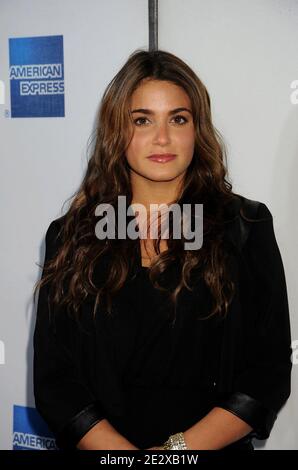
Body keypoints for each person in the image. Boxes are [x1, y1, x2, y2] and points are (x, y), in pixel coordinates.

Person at [33, 49, 292, 451]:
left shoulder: (245, 226)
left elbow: (268, 371)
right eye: (142, 120)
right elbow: (55, 380)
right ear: (116, 130)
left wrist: (176, 453)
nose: (162, 138)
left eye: (178, 118)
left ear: (196, 128)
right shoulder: (71, 237)